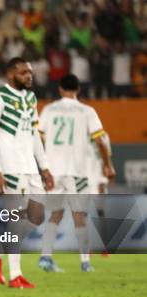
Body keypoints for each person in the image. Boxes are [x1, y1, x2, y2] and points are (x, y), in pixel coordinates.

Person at [0, 57, 54, 289]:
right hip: (11, 169)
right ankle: (15, 276)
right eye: (23, 72)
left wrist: (44, 167)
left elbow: (34, 135)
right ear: (11, 75)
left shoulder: (30, 98)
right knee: (16, 219)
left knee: (37, 216)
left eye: (30, 72)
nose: (29, 76)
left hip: (30, 169)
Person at [37, 74, 115, 273]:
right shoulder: (87, 111)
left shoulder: (48, 109)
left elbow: (38, 136)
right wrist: (107, 165)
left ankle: (45, 258)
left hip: (54, 170)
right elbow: (100, 140)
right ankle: (85, 262)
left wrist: (43, 162)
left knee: (55, 213)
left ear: (60, 90)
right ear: (78, 89)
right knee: (79, 215)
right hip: (77, 170)